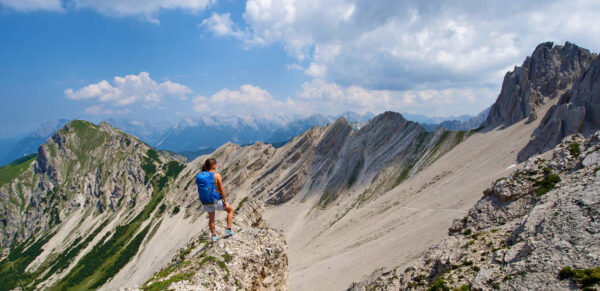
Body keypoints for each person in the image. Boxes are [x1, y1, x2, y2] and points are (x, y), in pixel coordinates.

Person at [197, 158, 234, 241]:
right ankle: (228, 229)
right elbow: (221, 189)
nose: (216, 165)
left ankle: (214, 236)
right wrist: (224, 200)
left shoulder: (202, 176)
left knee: (211, 219)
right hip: (217, 200)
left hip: (206, 200)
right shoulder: (216, 175)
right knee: (230, 210)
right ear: (212, 165)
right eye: (215, 164)